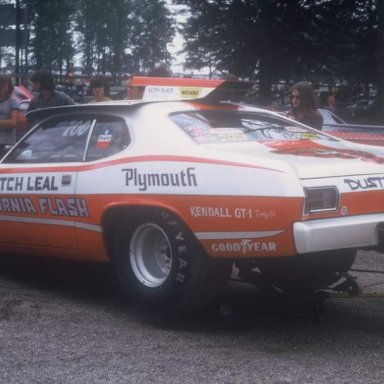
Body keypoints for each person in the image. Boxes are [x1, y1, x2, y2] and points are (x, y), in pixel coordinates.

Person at [0, 75, 20, 157]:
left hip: (6, 143)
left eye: (8, 86)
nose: (6, 88)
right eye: (4, 86)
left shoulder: (12, 101)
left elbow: (13, 122)